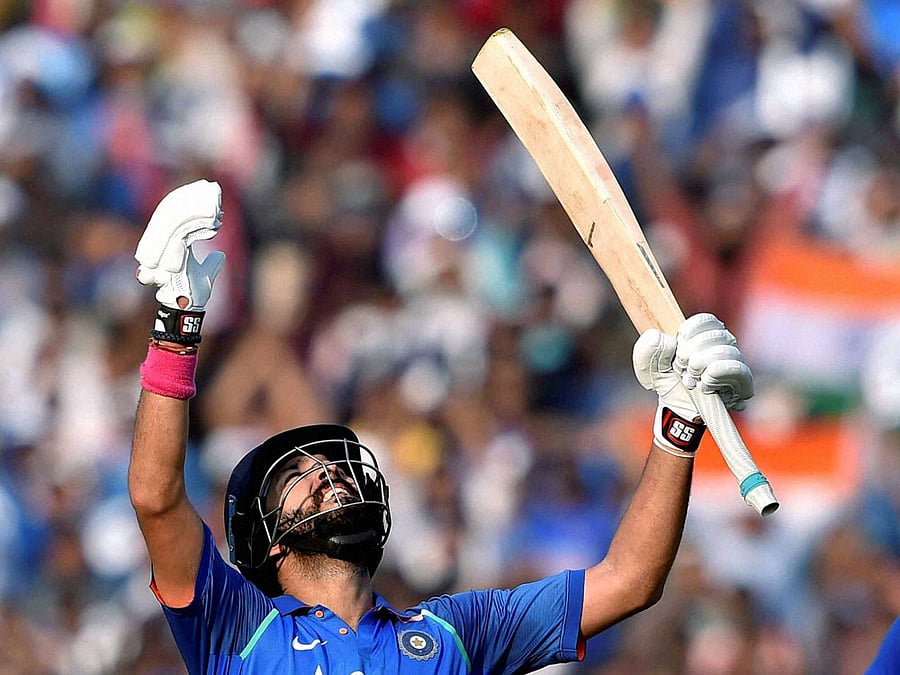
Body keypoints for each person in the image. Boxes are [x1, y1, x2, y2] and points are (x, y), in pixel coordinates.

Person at [130, 180, 755, 673]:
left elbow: (627, 582)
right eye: (296, 475)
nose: (327, 472)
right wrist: (176, 326)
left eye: (331, 463)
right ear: (266, 540)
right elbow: (157, 498)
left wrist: (677, 427)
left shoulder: (456, 631)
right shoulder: (238, 631)